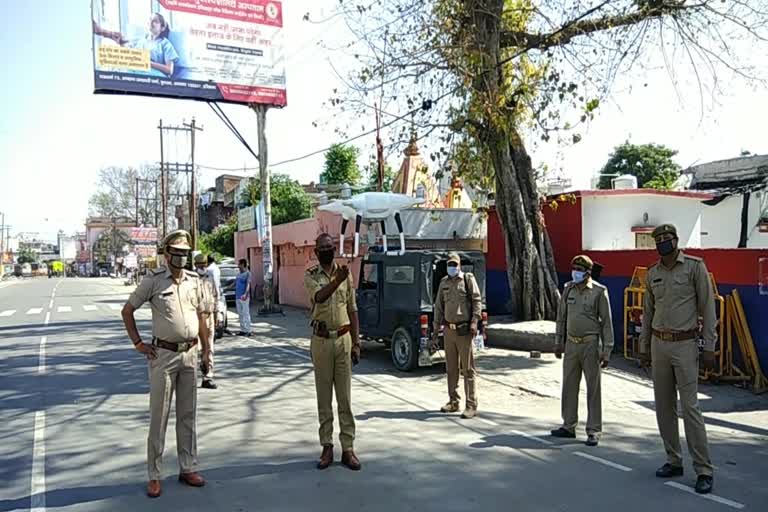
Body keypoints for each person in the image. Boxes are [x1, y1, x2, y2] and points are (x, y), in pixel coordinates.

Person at [120, 230, 212, 498]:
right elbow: (127, 311)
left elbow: (203, 319)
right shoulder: (154, 282)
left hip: (190, 354)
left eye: (185, 253)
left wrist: (207, 352)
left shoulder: (195, 281)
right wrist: (138, 343)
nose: (181, 257)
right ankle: (155, 474)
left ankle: (188, 466)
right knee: (159, 416)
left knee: (187, 415)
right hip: (163, 356)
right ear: (166, 253)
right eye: (177, 252)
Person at [641, 223, 716, 494]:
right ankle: (673, 460)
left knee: (690, 408)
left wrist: (709, 346)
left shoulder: (695, 267)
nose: (663, 242)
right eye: (658, 239)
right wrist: (644, 346)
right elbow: (648, 312)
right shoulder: (652, 274)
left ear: (676, 239)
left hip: (685, 345)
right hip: (659, 344)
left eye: (667, 238)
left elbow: (708, 307)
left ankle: (704, 470)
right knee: (663, 407)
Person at [303, 233, 362, 471]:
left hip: (344, 339)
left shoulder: (345, 275)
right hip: (321, 340)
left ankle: (348, 447)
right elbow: (319, 297)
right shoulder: (311, 276)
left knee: (345, 398)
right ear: (316, 252)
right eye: (322, 248)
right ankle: (326, 446)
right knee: (324, 397)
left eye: (330, 246)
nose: (327, 250)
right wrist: (337, 280)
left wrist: (357, 343)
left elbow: (353, 309)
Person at [550, 255, 614, 447]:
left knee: (593, 388)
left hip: (590, 344)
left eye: (579, 269)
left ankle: (594, 429)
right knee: (569, 386)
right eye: (574, 268)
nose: (575, 272)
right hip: (570, 344)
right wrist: (558, 342)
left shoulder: (599, 291)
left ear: (587, 272)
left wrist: (607, 350)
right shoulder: (568, 289)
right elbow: (561, 317)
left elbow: (607, 323)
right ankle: (568, 425)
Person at [432, 252, 482, 419]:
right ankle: (453, 401)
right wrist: (435, 329)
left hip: (464, 330)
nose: (452, 267)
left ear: (459, 265)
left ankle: (471, 404)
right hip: (448, 330)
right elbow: (438, 306)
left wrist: (475, 321)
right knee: (451, 368)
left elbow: (477, 301)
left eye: (454, 264)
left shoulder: (467, 280)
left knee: (468, 369)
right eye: (449, 264)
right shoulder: (444, 283)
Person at [194, 253, 219, 390]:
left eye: (204, 265)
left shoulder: (210, 278)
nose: (202, 268)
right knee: (196, 349)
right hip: (196, 317)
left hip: (209, 316)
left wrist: (216, 315)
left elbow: (215, 296)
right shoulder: (191, 279)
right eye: (200, 265)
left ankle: (208, 376)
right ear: (195, 266)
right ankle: (191, 377)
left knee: (209, 348)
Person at [235, 258, 252, 336]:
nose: (238, 266)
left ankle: (248, 330)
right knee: (240, 314)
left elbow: (248, 284)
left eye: (239, 264)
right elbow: (234, 283)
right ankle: (243, 330)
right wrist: (225, 289)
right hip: (237, 296)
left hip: (244, 297)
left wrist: (245, 294)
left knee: (246, 313)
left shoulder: (248, 274)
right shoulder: (238, 274)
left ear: (242, 264)